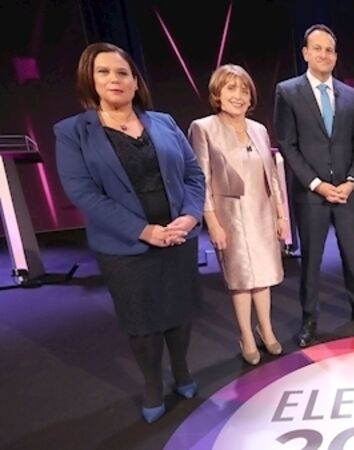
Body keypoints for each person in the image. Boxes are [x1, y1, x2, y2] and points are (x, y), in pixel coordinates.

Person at [54, 42, 205, 423]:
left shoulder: (164, 122)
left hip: (178, 238)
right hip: (124, 247)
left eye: (122, 73)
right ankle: (152, 383)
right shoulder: (73, 132)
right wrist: (143, 230)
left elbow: (193, 175)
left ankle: (182, 370)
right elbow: (83, 193)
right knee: (142, 322)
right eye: (103, 72)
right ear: (90, 80)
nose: (114, 79)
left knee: (179, 313)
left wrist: (190, 216)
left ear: (136, 82)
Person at [274, 24, 354, 348]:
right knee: (311, 261)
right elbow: (287, 144)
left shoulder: (350, 95)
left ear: (336, 56)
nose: (324, 54)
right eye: (317, 48)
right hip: (311, 195)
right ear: (306, 53)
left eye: (329, 50)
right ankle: (309, 319)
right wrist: (317, 184)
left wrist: (351, 181)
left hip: (348, 194)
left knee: (353, 255)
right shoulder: (287, 91)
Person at [188, 64, 289, 365]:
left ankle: (266, 330)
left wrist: (281, 216)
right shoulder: (203, 128)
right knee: (242, 278)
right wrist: (212, 222)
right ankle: (246, 335)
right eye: (231, 88)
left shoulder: (258, 129)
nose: (239, 96)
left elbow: (272, 177)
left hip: (262, 212)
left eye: (244, 90)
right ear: (217, 94)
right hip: (230, 216)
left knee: (264, 275)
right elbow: (202, 179)